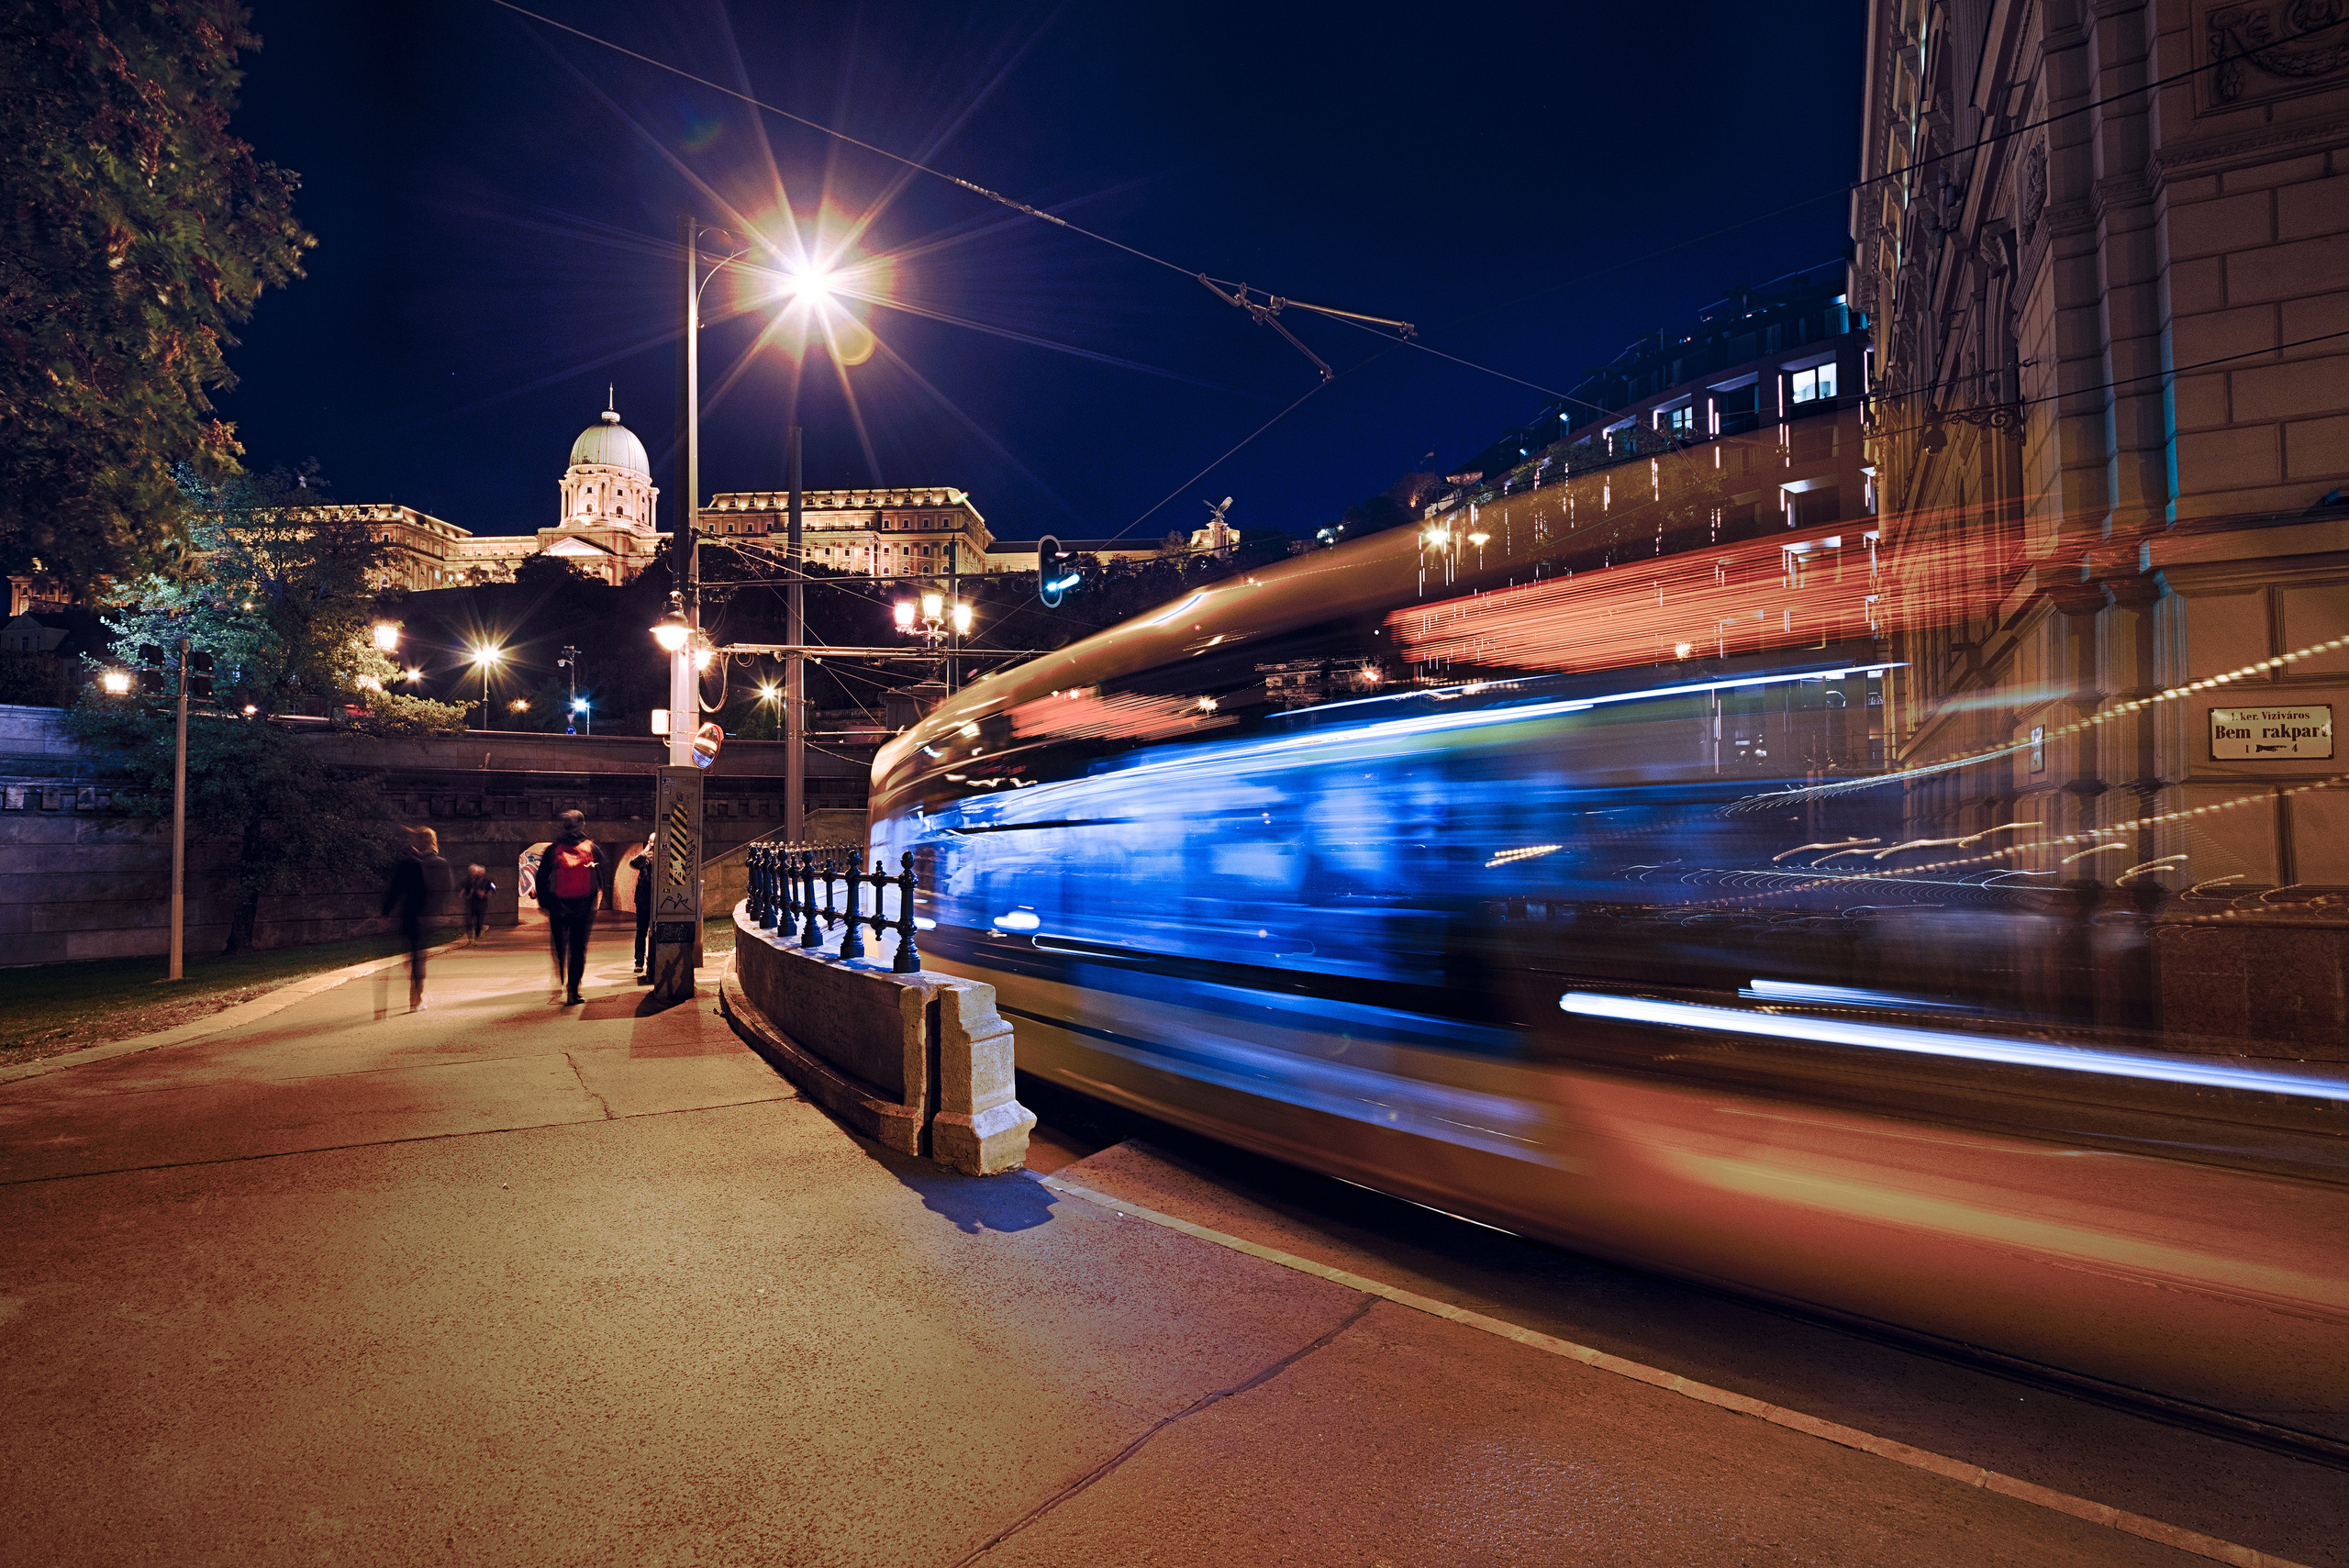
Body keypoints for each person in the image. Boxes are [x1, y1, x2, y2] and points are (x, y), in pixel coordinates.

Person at [380, 826, 451, 1012]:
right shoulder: (441, 863)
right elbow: (446, 890)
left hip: (410, 915)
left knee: (414, 954)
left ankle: (414, 983)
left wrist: (385, 913)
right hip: (429, 916)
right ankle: (416, 996)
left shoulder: (408, 863)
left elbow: (395, 890)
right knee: (420, 956)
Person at [536, 810, 601, 1006]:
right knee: (578, 948)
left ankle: (560, 971)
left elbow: (541, 879)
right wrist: (592, 904)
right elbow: (600, 878)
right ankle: (573, 990)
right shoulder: (591, 848)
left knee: (559, 944)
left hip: (558, 906)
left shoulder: (553, 850)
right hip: (583, 907)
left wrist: (546, 904)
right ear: (582, 825)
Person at [629, 845, 654, 973]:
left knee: (641, 931)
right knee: (652, 931)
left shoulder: (645, 856)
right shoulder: (660, 858)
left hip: (643, 899)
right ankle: (650, 961)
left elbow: (632, 863)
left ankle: (639, 962)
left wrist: (646, 849)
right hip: (651, 900)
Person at [457, 863, 495, 942]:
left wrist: (487, 894)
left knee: (479, 920)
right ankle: (470, 937)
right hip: (471, 903)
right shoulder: (468, 881)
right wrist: (463, 893)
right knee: (469, 920)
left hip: (481, 904)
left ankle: (477, 936)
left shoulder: (486, 881)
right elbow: (463, 888)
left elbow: (493, 888)